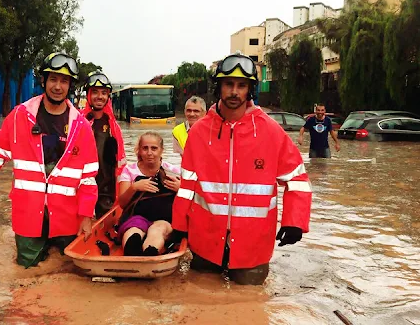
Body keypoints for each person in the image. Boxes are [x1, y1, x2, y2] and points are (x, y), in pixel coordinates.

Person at [172, 54, 312, 285]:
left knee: (252, 306)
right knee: (199, 303)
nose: (234, 92)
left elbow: (297, 179)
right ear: (218, 87)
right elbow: (187, 186)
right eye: (228, 84)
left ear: (250, 90)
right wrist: (178, 226)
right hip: (205, 242)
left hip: (253, 247)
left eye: (241, 85)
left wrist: (294, 222)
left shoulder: (271, 132)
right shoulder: (198, 133)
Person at [0, 52, 99, 268]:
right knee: (25, 272)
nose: (58, 86)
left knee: (69, 271)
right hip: (29, 215)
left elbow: (88, 178)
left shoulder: (82, 126)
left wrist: (87, 216)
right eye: (53, 79)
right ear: (43, 80)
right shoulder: (19, 116)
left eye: (64, 81)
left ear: (70, 86)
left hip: (68, 218)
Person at [117, 132, 181, 256]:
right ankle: (131, 251)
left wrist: (180, 189)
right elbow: (122, 204)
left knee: (158, 229)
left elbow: (188, 201)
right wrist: (134, 187)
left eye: (154, 148)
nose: (149, 153)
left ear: (161, 150)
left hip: (163, 219)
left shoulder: (173, 171)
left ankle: (150, 252)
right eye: (145, 148)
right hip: (136, 217)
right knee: (134, 228)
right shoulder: (129, 170)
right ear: (139, 150)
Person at [81, 70, 127, 219]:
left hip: (106, 193)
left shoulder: (114, 128)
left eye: (104, 93)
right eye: (95, 92)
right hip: (80, 191)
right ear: (88, 94)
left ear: (108, 97)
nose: (99, 96)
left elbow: (121, 164)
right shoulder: (77, 122)